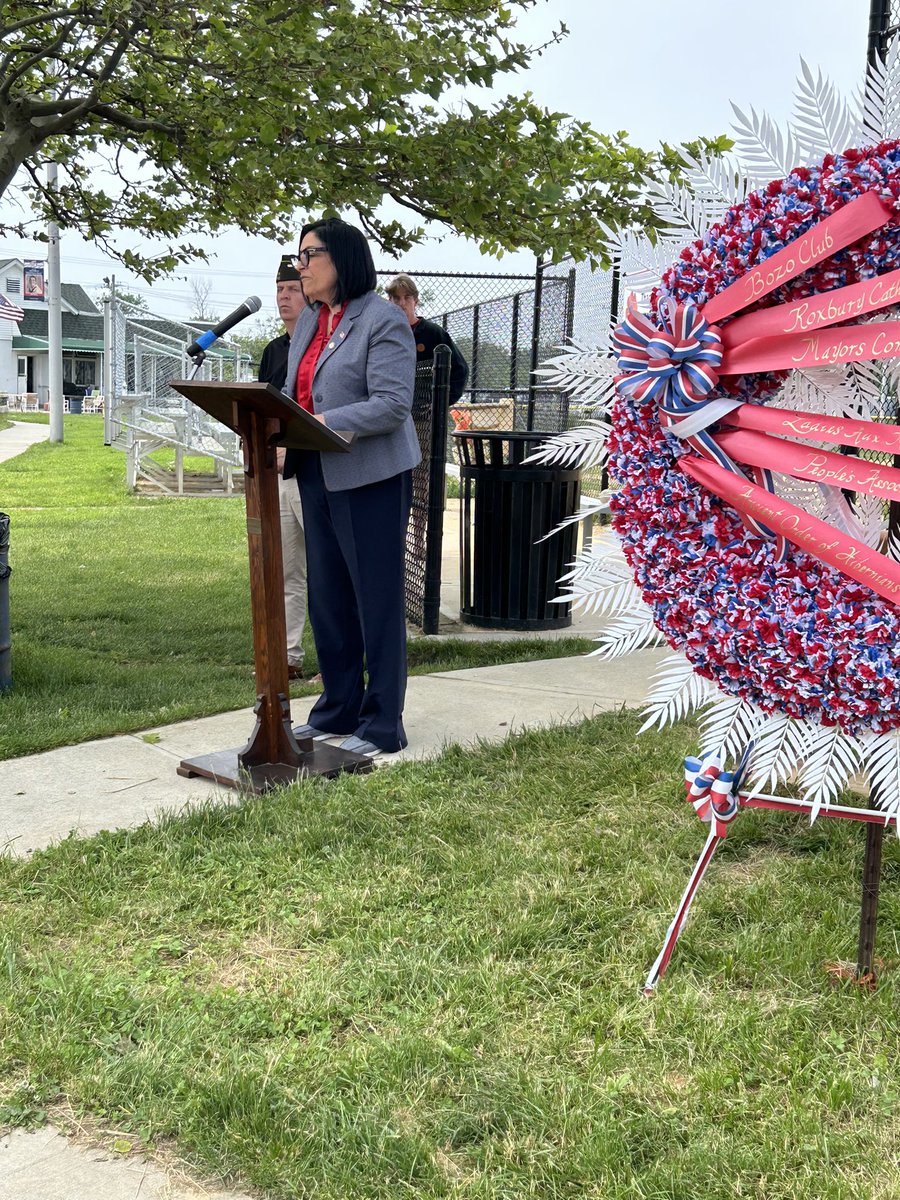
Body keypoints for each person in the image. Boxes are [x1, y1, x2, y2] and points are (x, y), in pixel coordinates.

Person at [283, 218, 419, 756]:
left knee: (375, 599)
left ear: (342, 258)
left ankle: (383, 723)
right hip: (316, 471)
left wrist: (316, 423)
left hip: (371, 476)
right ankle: (337, 708)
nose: (301, 267)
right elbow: (296, 392)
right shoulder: (310, 321)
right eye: (298, 257)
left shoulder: (381, 319)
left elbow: (391, 404)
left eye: (309, 255)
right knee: (329, 597)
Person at [258, 255, 308, 680]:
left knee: (326, 572)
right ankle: (289, 656)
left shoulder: (319, 347)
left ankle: (339, 660)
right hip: (276, 475)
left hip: (311, 472)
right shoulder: (274, 351)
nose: (284, 297)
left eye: (292, 288)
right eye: (280, 290)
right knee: (287, 569)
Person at [385, 273, 469, 403]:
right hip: (391, 409)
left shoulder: (433, 333)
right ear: (389, 302)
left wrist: (441, 403)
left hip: (423, 414)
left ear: (415, 301)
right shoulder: (383, 334)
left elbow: (460, 369)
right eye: (396, 298)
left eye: (407, 297)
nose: (402, 303)